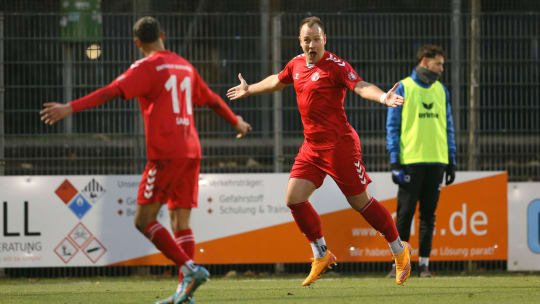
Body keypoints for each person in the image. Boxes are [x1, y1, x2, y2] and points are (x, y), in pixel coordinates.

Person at [40, 16, 252, 304]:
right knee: (180, 222)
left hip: (166, 154)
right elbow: (213, 99)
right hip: (192, 151)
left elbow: (112, 91)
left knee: (143, 220)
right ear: (162, 35)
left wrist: (70, 107)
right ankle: (185, 294)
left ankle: (189, 269)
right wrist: (235, 121)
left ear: (137, 42)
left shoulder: (146, 67)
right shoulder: (184, 65)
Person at [227, 16, 412, 286]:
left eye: (316, 39)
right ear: (300, 42)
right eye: (306, 40)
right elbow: (279, 80)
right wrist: (250, 89)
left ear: (324, 40)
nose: (311, 44)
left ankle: (399, 251)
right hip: (311, 148)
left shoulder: (336, 66)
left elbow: (360, 86)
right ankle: (321, 254)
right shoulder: (296, 64)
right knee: (294, 199)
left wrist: (383, 96)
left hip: (340, 147)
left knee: (360, 203)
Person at [386, 44, 456, 278]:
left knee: (429, 216)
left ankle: (424, 265)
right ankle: (399, 264)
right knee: (404, 216)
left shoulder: (441, 90)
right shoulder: (404, 87)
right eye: (438, 64)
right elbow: (393, 127)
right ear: (425, 62)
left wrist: (451, 160)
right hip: (410, 162)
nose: (441, 69)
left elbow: (449, 127)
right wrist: (395, 161)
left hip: (437, 161)